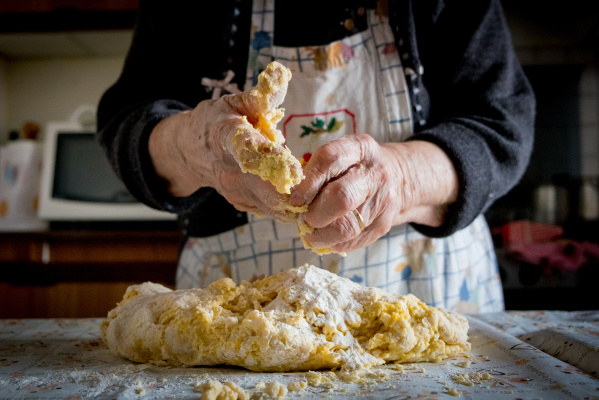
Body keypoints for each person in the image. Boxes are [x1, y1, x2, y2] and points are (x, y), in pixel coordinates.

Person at [97, 0, 535, 313]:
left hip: (426, 289)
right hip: (236, 310)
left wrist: (401, 176)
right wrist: (195, 148)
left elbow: (503, 124)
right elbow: (125, 121)